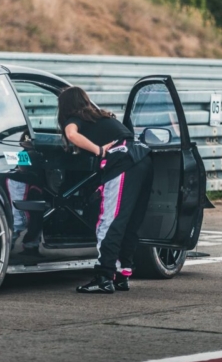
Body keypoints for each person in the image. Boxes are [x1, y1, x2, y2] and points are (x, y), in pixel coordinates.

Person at [57, 86, 153, 294]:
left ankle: (103, 276)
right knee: (129, 221)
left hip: (122, 162)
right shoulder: (102, 117)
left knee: (108, 220)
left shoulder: (75, 119)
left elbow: (71, 135)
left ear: (65, 106)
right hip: (143, 159)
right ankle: (122, 274)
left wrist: (98, 150)